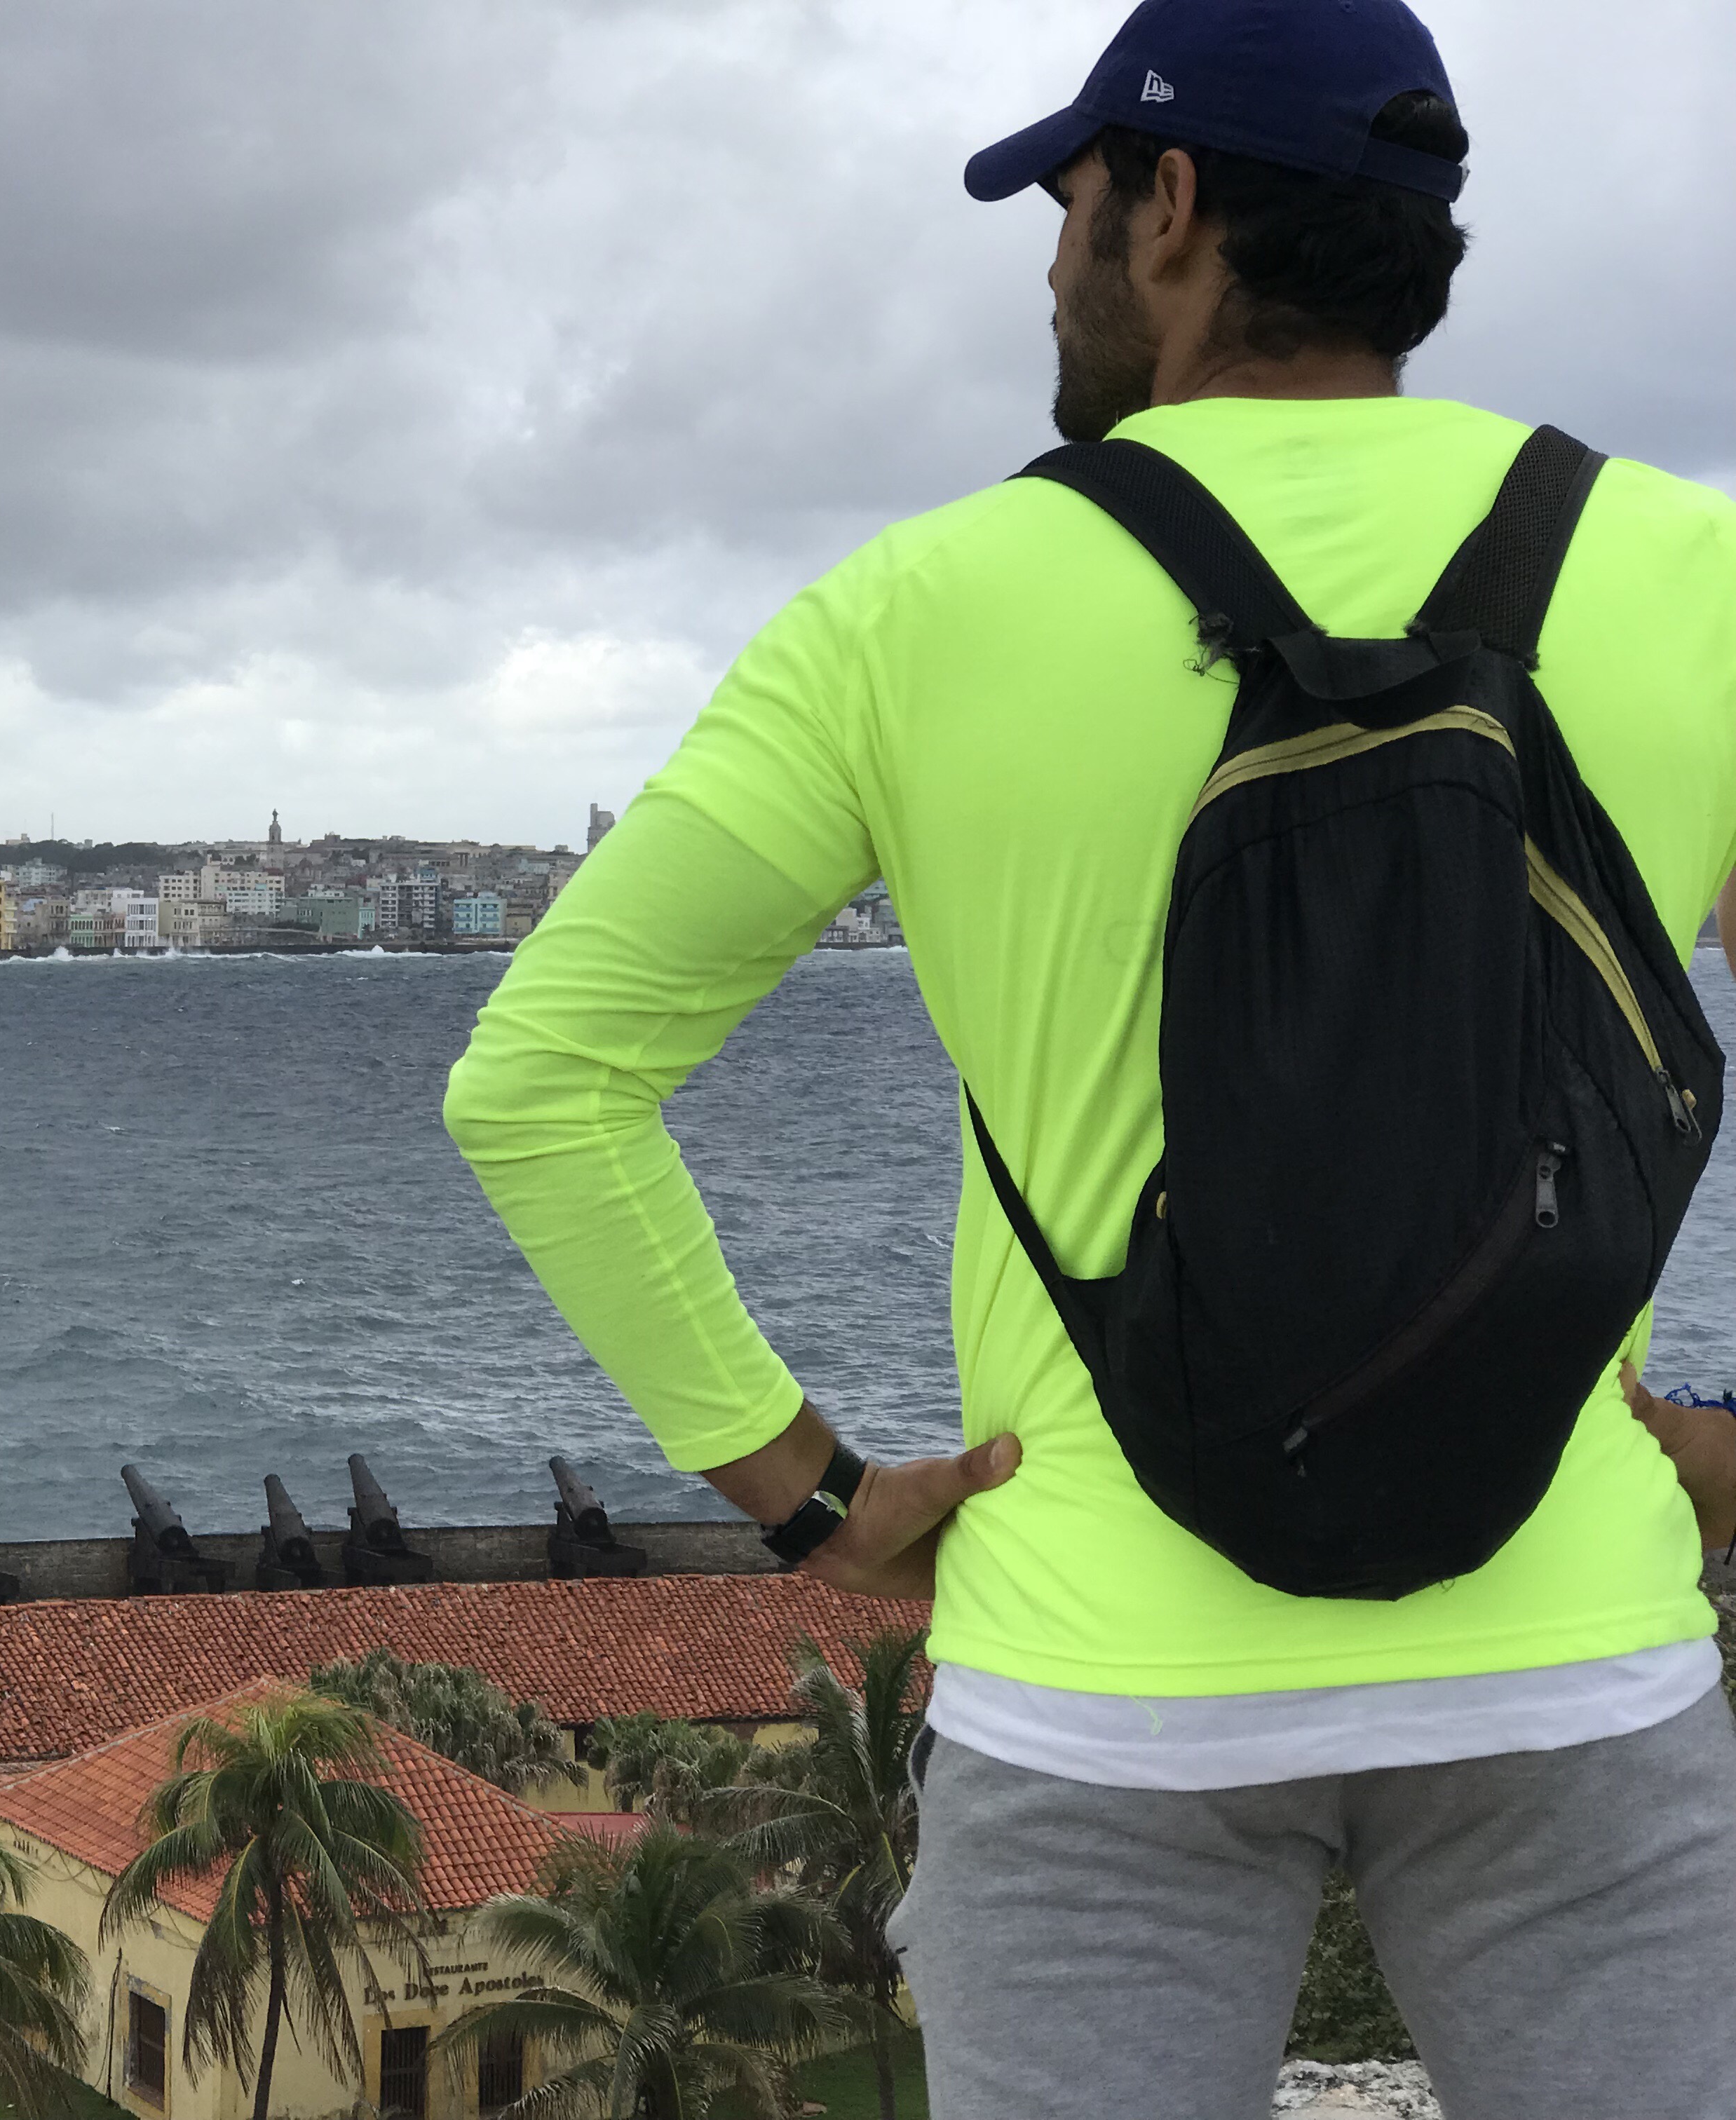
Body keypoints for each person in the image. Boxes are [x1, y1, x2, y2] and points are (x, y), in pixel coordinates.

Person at [442, 2, 1736, 2114]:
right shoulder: (1695, 574)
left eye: (1069, 199)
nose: (1053, 256)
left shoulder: (918, 608)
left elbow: (543, 1080)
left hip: (1096, 1689)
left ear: (1175, 205)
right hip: (1575, 1658)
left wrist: (812, 1499)